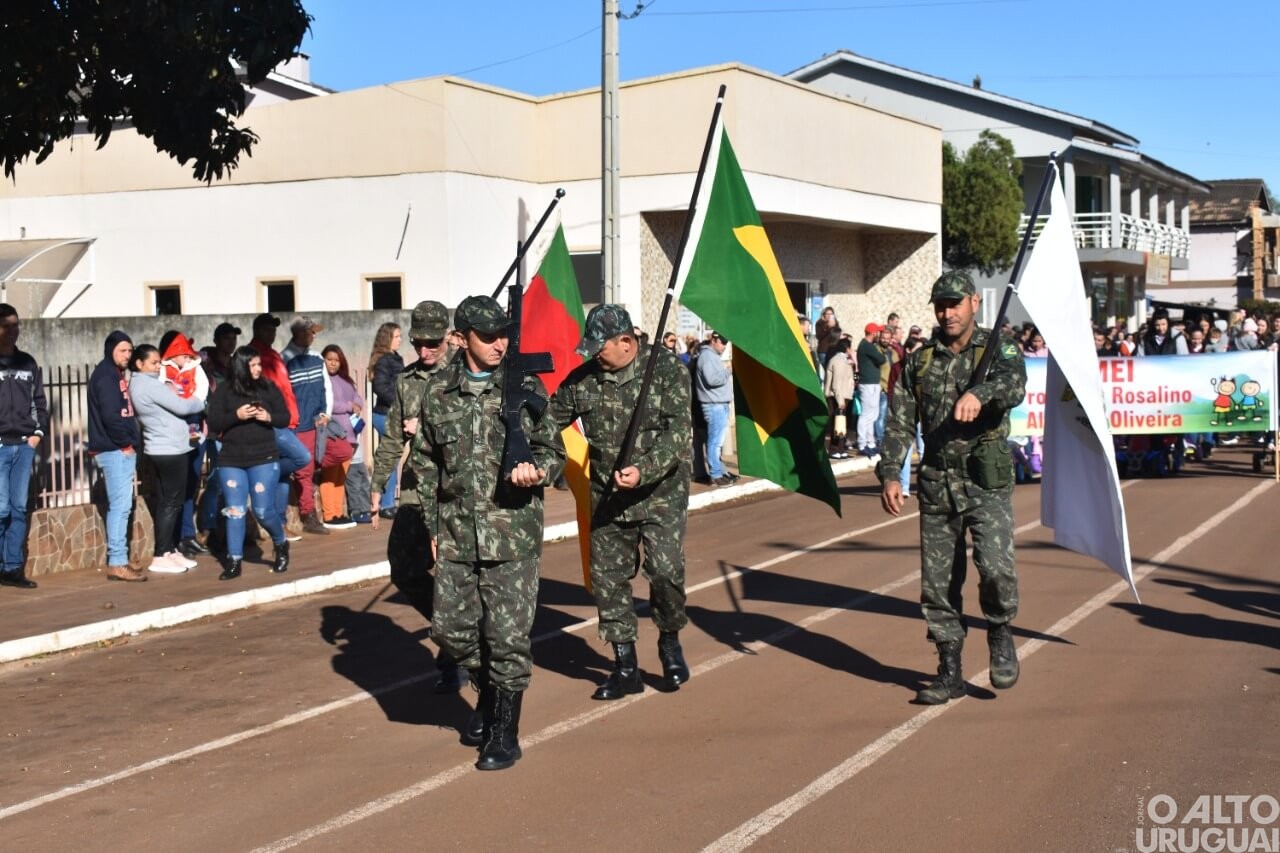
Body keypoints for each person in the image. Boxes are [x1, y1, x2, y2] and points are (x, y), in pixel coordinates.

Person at [415, 295, 564, 771]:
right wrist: (433, 524)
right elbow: (426, 463)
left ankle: (505, 731)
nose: (500, 344)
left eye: (503, 334)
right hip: (457, 533)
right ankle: (488, 691)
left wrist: (536, 471)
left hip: (512, 532)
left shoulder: (524, 384)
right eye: (488, 336)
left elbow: (554, 450)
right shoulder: (438, 392)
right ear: (461, 338)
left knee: (506, 637)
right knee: (451, 631)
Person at [877, 270, 1027, 705]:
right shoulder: (920, 362)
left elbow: (1014, 386)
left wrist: (981, 393)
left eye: (955, 304)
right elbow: (900, 421)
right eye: (941, 305)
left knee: (996, 568)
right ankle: (949, 670)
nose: (947, 313)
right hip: (937, 482)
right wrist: (891, 472)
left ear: (974, 303)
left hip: (985, 480)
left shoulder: (999, 349)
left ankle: (999, 630)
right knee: (938, 584)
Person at [548, 304, 693, 699]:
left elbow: (678, 433)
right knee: (608, 580)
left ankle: (669, 639)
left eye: (601, 347)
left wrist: (643, 470)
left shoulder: (666, 371)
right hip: (608, 498)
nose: (595, 355)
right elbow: (546, 420)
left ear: (626, 342)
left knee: (665, 573)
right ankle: (625, 665)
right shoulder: (584, 380)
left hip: (660, 494)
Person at [369, 301, 465, 691]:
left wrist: (424, 426)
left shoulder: (467, 375)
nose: (424, 351)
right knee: (404, 568)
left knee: (454, 574)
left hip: (457, 488)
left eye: (432, 344)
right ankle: (452, 634)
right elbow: (393, 437)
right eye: (417, 343)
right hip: (416, 487)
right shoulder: (407, 380)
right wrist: (377, 485)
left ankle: (458, 652)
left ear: (448, 338)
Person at [206, 346, 292, 580]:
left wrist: (269, 417)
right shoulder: (225, 390)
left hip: (263, 456)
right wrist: (237, 416)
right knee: (235, 511)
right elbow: (213, 422)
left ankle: (280, 543)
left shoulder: (268, 387)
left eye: (258, 364)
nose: (257, 369)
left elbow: (285, 418)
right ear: (241, 366)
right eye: (252, 365)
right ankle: (234, 561)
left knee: (262, 510)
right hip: (231, 458)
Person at [129, 344, 204, 574]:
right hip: (169, 450)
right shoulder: (148, 384)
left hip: (163, 448)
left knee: (167, 501)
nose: (158, 367)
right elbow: (181, 406)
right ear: (139, 364)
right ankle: (161, 553)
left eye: (159, 362)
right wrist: (199, 400)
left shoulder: (142, 383)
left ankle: (169, 549)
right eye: (153, 363)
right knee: (172, 502)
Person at [88, 330, 147, 582]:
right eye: (122, 350)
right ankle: (117, 562)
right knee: (121, 508)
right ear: (110, 349)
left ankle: (120, 558)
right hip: (114, 450)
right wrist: (126, 444)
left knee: (122, 507)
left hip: (118, 448)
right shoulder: (105, 376)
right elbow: (111, 416)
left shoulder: (114, 374)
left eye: (130, 350)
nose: (127, 355)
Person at [249, 313, 310, 538]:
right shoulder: (253, 356)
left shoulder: (273, 354)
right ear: (257, 331)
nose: (271, 333)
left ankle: (280, 523)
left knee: (285, 475)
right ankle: (267, 471)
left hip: (286, 420)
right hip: (271, 422)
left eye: (273, 329)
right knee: (302, 457)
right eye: (267, 329)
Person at [0, 305, 47, 589]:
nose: (12, 330)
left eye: (16, 324)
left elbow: (39, 400)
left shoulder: (27, 363)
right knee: (1, 509)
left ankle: (12, 568)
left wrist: (37, 434)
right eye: (6, 325)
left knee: (18, 508)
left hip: (24, 446)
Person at [158, 332, 211, 560]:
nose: (186, 356)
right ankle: (174, 539)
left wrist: (190, 406)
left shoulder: (196, 369)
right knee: (175, 490)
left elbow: (201, 396)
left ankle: (188, 535)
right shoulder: (162, 370)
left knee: (190, 485)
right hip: (171, 436)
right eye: (181, 352)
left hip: (195, 433)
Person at [282, 316, 333, 535]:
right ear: (299, 334)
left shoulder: (316, 357)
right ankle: (307, 513)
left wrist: (326, 413)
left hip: (317, 422)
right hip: (297, 425)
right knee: (304, 470)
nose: (314, 336)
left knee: (340, 451)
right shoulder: (284, 360)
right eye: (310, 332)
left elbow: (326, 387)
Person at [318, 345, 362, 529]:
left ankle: (338, 512)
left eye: (336, 360)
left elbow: (357, 397)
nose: (333, 363)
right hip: (333, 433)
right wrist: (349, 406)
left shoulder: (345, 380)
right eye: (329, 359)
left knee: (341, 476)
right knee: (330, 475)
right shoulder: (322, 380)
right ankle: (329, 515)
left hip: (349, 434)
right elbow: (329, 405)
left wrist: (357, 404)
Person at [369, 322, 405, 519]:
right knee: (389, 460)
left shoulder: (393, 357)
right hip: (386, 415)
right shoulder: (385, 360)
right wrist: (400, 402)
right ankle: (386, 504)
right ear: (387, 338)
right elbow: (381, 387)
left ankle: (387, 502)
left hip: (389, 414)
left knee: (391, 459)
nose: (400, 340)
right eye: (396, 336)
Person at [693, 332, 735, 485]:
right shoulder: (707, 357)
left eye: (725, 342)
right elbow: (712, 380)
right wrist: (728, 371)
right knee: (714, 443)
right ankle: (716, 474)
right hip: (714, 405)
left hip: (718, 404)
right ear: (713, 340)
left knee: (716, 442)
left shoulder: (711, 356)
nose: (724, 346)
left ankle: (720, 472)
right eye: (721, 342)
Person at [855, 322, 886, 456]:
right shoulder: (867, 346)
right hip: (868, 384)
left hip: (872, 384)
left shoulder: (868, 346)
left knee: (872, 415)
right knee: (867, 415)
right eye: (878, 332)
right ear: (873, 333)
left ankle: (870, 442)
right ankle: (862, 444)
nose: (879, 334)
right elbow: (881, 359)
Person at [823, 337, 855, 459]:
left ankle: (840, 449)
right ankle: (834, 449)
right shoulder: (839, 361)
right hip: (837, 397)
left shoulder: (842, 360)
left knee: (840, 424)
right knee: (837, 424)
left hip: (840, 396)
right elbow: (836, 383)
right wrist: (840, 400)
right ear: (847, 348)